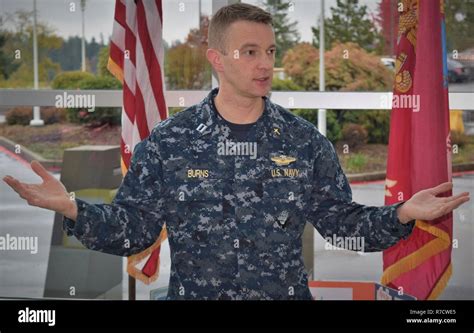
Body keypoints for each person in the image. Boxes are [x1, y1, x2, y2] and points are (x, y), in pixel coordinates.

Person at [3, 3, 469, 300]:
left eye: (269, 50)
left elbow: (345, 228)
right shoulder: (168, 143)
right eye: (249, 52)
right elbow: (133, 233)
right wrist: (72, 208)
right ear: (217, 59)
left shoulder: (304, 143)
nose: (265, 63)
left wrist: (403, 213)